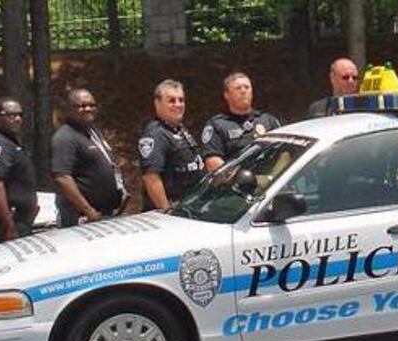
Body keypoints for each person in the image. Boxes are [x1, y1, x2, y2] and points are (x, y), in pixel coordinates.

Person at [51, 88, 124, 227]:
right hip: (82, 218)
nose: (88, 108)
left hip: (105, 213)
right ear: (70, 109)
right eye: (82, 106)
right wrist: (88, 210)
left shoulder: (92, 132)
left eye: (92, 105)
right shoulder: (65, 137)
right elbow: (62, 178)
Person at [0, 97, 37, 246]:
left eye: (20, 115)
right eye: (11, 115)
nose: (17, 119)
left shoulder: (11, 142)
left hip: (18, 220)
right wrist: (9, 225)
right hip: (3, 225)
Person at [139, 79, 206, 210]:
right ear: (157, 103)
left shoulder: (180, 130)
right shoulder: (155, 134)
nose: (178, 104)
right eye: (171, 101)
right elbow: (151, 177)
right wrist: (167, 211)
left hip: (188, 208)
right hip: (170, 213)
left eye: (181, 100)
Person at [201, 72, 281, 172]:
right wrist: (241, 179)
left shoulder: (268, 121)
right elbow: (212, 162)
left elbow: (284, 153)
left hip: (274, 183)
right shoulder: (217, 125)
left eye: (247, 87)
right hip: (237, 185)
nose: (243, 91)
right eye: (238, 88)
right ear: (227, 95)